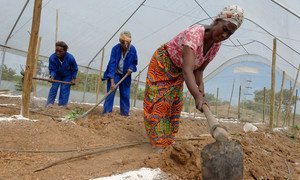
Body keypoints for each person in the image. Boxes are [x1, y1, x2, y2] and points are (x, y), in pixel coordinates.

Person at [143, 5, 244, 150]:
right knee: (160, 103)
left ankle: (167, 143)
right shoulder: (195, 34)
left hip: (178, 71)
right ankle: (158, 145)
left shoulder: (216, 44)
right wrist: (196, 95)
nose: (225, 35)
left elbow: (199, 69)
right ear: (217, 21)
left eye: (229, 34)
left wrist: (201, 89)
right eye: (225, 29)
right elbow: (188, 69)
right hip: (163, 63)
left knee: (174, 106)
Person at [102, 31, 138, 116]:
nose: (124, 45)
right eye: (122, 43)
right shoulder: (115, 49)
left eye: (126, 43)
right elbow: (112, 64)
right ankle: (107, 112)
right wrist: (112, 81)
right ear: (120, 41)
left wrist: (131, 68)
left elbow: (134, 62)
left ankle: (124, 114)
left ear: (129, 42)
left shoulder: (133, 50)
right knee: (110, 92)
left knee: (125, 94)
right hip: (115, 73)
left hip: (125, 75)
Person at [46, 41, 78, 107]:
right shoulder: (52, 58)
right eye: (56, 50)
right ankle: (49, 104)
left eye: (60, 51)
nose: (58, 53)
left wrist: (73, 78)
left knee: (64, 88)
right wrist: (52, 76)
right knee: (54, 88)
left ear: (65, 51)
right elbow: (52, 69)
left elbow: (74, 69)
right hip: (57, 74)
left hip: (67, 75)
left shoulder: (70, 58)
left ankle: (62, 105)